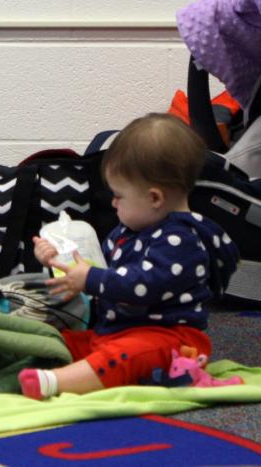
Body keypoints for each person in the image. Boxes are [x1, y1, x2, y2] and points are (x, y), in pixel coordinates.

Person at [19, 113, 239, 399]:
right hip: (115, 331)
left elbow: (142, 283)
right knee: (61, 340)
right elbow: (102, 270)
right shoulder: (129, 231)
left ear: (154, 198)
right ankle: (37, 366)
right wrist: (56, 260)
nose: (113, 203)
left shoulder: (181, 240)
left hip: (170, 340)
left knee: (127, 355)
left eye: (119, 196)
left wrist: (92, 278)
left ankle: (55, 383)